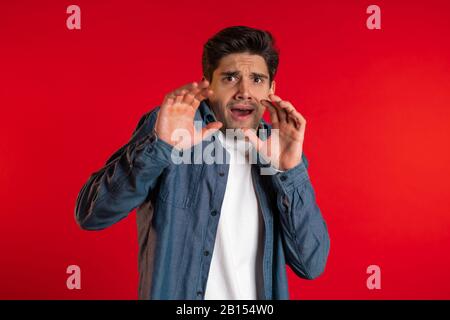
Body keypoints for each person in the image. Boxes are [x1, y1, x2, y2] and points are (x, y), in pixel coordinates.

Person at [75, 25, 330, 300]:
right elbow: (92, 215)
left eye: (257, 79)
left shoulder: (279, 149)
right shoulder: (171, 128)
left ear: (271, 89)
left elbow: (311, 265)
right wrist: (158, 147)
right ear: (208, 85)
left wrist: (289, 171)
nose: (244, 91)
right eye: (230, 78)